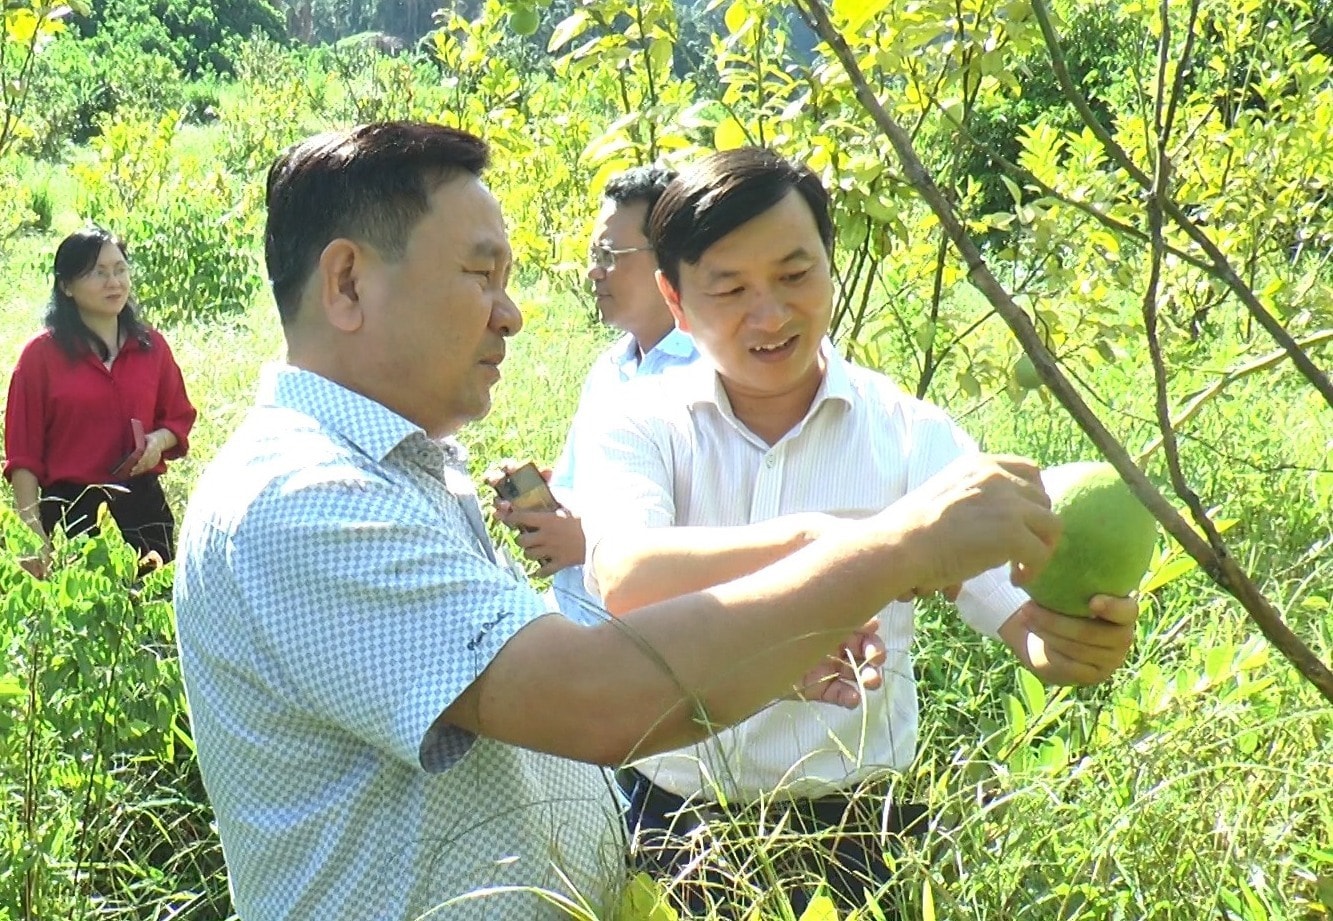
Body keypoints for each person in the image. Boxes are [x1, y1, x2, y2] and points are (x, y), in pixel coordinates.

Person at [172, 121, 1066, 921]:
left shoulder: (399, 473)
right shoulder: (303, 502)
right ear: (347, 282)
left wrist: (780, 650)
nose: (512, 314)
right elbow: (601, 695)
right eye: (480, 273)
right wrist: (890, 542)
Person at [576, 147, 1141, 915]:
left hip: (854, 834)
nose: (769, 314)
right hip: (673, 822)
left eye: (794, 274)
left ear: (831, 270)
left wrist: (1076, 642)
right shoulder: (638, 423)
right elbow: (625, 576)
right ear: (675, 302)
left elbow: (1023, 619)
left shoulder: (913, 437)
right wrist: (862, 540)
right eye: (730, 288)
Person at [491, 164, 699, 623]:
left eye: (609, 254)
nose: (593, 271)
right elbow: (578, 490)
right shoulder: (611, 367)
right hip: (574, 627)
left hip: (655, 649)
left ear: (671, 259)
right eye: (593, 252)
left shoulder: (712, 373)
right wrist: (546, 508)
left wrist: (592, 544)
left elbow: (726, 533)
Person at [4, 225, 196, 573]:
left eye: (120, 270)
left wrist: (156, 442)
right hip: (71, 514)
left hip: (143, 508)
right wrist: (33, 535)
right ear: (66, 286)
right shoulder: (40, 357)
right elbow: (23, 457)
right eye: (98, 273)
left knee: (152, 614)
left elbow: (178, 418)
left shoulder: (151, 347)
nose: (114, 282)